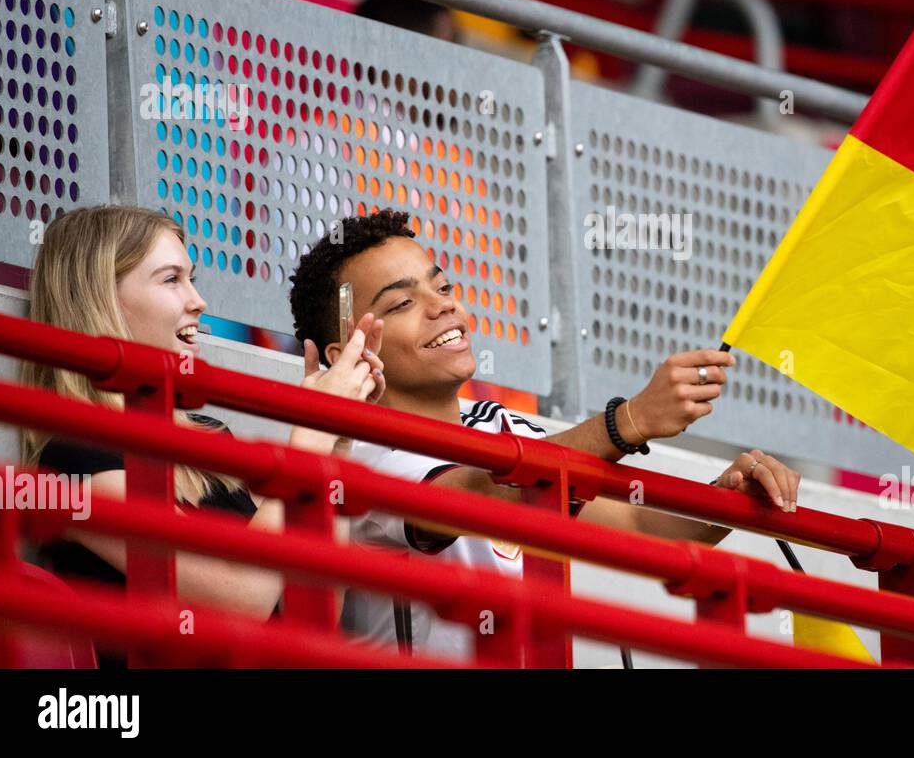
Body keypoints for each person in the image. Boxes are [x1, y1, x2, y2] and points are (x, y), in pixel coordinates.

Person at [288, 209, 801, 657]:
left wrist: (728, 498)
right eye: (401, 303)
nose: (443, 304)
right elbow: (476, 496)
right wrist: (630, 421)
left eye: (442, 287)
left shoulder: (500, 425)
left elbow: (637, 525)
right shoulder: (350, 448)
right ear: (347, 354)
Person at [19, 205, 385, 666]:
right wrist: (312, 433)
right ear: (101, 300)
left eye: (192, 279)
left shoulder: (210, 438)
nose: (198, 301)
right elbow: (238, 598)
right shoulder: (72, 458)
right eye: (172, 279)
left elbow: (316, 612)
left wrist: (337, 443)